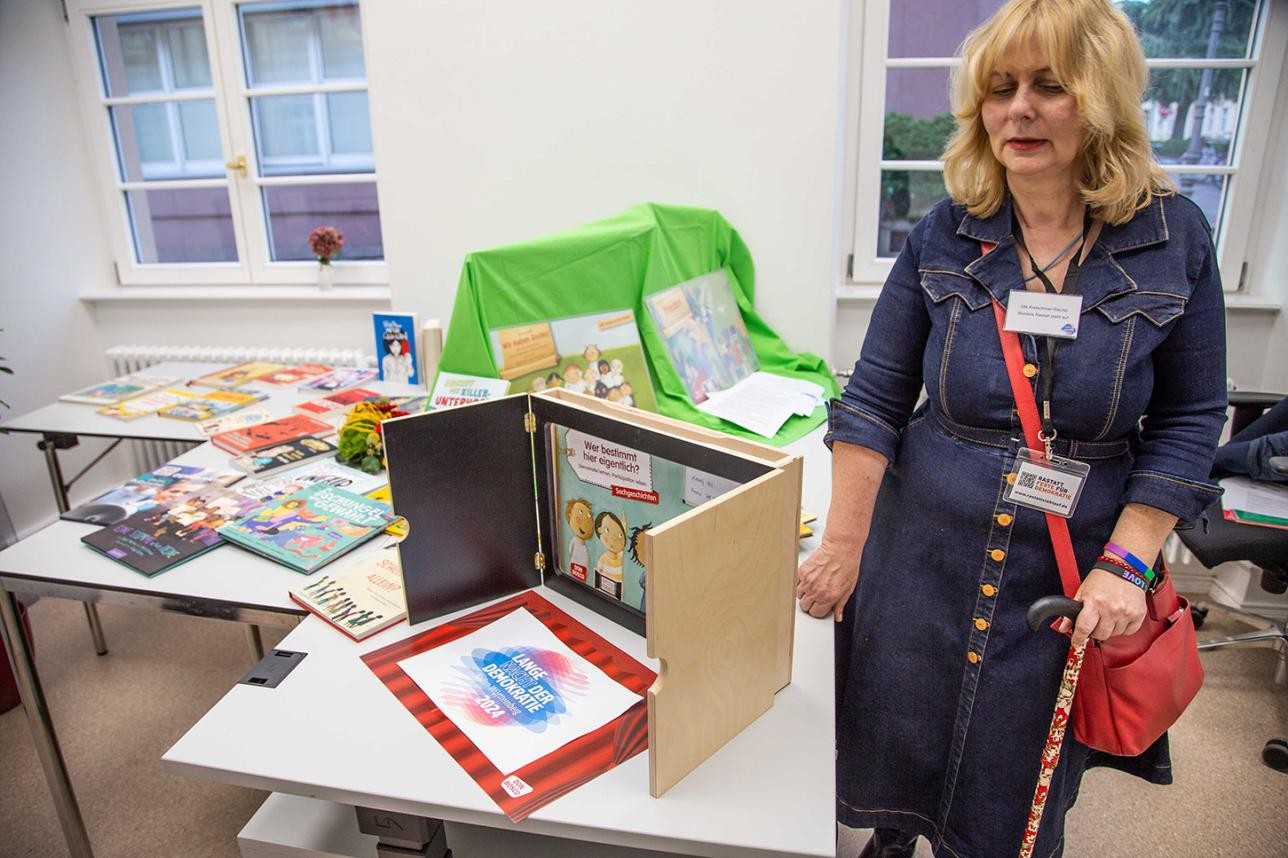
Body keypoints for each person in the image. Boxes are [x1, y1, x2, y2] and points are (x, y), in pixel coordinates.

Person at [795, 2, 1228, 856]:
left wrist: (1129, 563)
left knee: (1010, 793)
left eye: (1049, 86)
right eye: (1001, 89)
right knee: (897, 751)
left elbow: (1189, 418)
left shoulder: (1172, 238)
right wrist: (843, 545)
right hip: (921, 556)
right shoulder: (946, 233)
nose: (1019, 109)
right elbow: (875, 397)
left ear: (1101, 98)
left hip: (1065, 575)